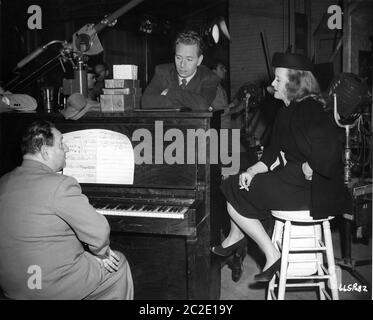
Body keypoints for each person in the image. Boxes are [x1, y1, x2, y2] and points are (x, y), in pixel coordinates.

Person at [211, 52, 350, 282]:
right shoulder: (288, 110)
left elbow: (333, 145)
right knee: (235, 184)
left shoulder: (311, 107)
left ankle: (269, 252)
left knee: (233, 189)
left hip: (313, 190)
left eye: (278, 79)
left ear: (295, 81)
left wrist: (313, 166)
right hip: (293, 181)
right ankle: (238, 239)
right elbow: (273, 152)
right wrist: (253, 170)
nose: (272, 84)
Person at [0, 121, 133, 299]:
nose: (67, 149)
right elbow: (99, 231)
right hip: (46, 285)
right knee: (118, 264)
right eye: (62, 143)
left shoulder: (4, 181)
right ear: (45, 152)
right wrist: (102, 254)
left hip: (11, 284)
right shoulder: (60, 184)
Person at [141, 30, 220, 111]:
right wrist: (189, 104)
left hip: (192, 123)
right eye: (178, 58)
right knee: (156, 123)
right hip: (161, 122)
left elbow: (202, 105)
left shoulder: (209, 77)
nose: (182, 65)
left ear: (199, 60)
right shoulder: (163, 72)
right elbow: (146, 103)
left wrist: (170, 93)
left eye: (189, 59)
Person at [210, 60, 231, 128]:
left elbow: (225, 107)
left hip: (224, 126)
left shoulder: (220, 87)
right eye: (221, 68)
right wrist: (237, 109)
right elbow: (218, 111)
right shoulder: (212, 87)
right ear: (214, 71)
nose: (225, 70)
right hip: (218, 127)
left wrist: (235, 103)